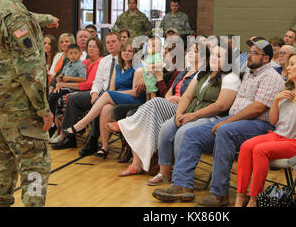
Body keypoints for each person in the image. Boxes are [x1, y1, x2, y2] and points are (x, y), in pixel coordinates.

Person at [152, 37, 284, 207]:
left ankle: (219, 194)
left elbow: (258, 109)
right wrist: (227, 120)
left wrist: (226, 121)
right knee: (192, 134)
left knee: (224, 131)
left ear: (266, 58)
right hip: (238, 120)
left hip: (259, 125)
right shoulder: (250, 74)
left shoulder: (271, 76)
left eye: (253, 53)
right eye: (249, 52)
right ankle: (182, 184)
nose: (249, 56)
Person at [0, 0, 57, 207]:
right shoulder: (18, 17)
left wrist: (45, 18)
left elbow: (21, 18)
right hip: (21, 109)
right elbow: (29, 70)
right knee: (36, 165)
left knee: (2, 164)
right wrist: (44, 110)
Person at [108, 41, 203, 181]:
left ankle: (124, 125)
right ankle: (136, 164)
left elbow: (193, 97)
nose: (189, 53)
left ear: (203, 57)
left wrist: (178, 98)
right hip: (167, 104)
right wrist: (170, 97)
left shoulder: (201, 74)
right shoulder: (181, 72)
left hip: (183, 108)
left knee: (154, 102)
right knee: (142, 114)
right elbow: (167, 93)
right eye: (189, 50)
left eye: (194, 51)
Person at [149, 41, 241, 181]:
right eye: (213, 55)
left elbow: (221, 106)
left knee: (183, 132)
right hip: (190, 113)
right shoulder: (203, 74)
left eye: (219, 56)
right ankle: (164, 172)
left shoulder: (230, 78)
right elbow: (187, 96)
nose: (214, 58)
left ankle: (180, 176)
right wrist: (179, 114)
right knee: (167, 127)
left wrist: (193, 115)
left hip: (212, 118)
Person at [234, 53, 296, 207]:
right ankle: (240, 197)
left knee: (260, 150)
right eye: (288, 64)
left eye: (292, 64)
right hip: (277, 135)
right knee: (246, 146)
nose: (288, 68)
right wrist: (277, 99)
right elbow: (273, 121)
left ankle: (254, 199)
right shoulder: (286, 91)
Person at [61, 39, 146, 157]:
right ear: (121, 53)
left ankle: (80, 124)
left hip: (134, 99)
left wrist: (116, 94)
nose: (126, 53)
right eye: (124, 51)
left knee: (107, 95)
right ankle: (104, 147)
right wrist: (112, 94)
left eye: (130, 51)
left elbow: (136, 93)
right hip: (117, 97)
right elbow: (111, 88)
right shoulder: (117, 67)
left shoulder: (138, 68)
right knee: (105, 108)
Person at [57, 32, 121, 156]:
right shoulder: (105, 61)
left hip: (114, 94)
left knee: (100, 104)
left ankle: (92, 140)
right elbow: (97, 81)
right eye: (108, 42)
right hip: (100, 92)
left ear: (120, 43)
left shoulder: (123, 60)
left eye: (114, 42)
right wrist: (94, 93)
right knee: (73, 98)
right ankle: (69, 137)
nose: (111, 45)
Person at [51, 37, 104, 148]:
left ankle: (66, 135)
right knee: (55, 96)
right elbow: (64, 74)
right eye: (89, 46)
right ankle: (57, 129)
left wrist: (65, 84)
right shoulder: (85, 61)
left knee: (65, 98)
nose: (91, 49)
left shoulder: (100, 62)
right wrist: (58, 83)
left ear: (99, 49)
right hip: (80, 90)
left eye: (95, 46)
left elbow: (89, 84)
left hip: (92, 92)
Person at [48, 44, 86, 125]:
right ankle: (54, 119)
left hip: (71, 88)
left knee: (52, 97)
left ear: (80, 54)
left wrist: (69, 78)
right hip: (63, 86)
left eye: (75, 53)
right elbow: (62, 75)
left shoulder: (80, 65)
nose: (73, 55)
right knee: (50, 96)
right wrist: (59, 78)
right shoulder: (67, 64)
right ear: (67, 55)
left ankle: (54, 121)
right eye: (71, 53)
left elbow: (83, 79)